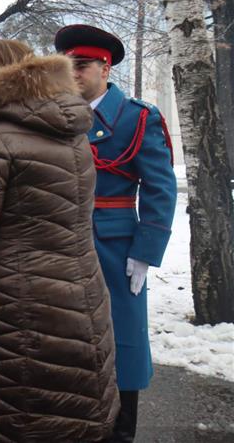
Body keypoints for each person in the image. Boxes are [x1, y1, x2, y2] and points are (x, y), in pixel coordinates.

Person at [0, 39, 119, 442]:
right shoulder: (73, 133)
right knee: (69, 417)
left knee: (19, 421)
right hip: (80, 299)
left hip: (16, 313)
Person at [56, 24, 178, 443]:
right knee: (69, 339)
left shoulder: (137, 117)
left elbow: (160, 187)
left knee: (123, 340)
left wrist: (146, 249)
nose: (73, 72)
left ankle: (121, 432)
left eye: (83, 65)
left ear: (105, 68)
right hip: (64, 245)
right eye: (68, 64)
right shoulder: (58, 116)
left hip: (116, 245)